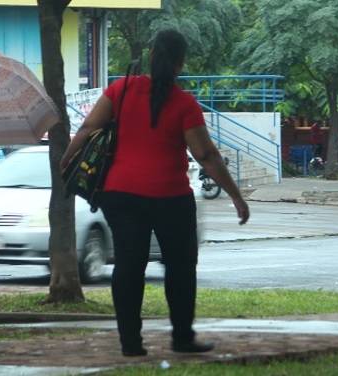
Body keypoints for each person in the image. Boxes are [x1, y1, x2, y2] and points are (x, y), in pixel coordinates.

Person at [61, 29, 250, 357]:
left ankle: (130, 344)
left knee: (129, 266)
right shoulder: (184, 104)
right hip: (170, 198)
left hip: (119, 195)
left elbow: (88, 128)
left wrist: (65, 166)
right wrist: (235, 195)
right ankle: (181, 338)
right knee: (179, 267)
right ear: (181, 63)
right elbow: (205, 154)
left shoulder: (120, 91)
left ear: (150, 55)